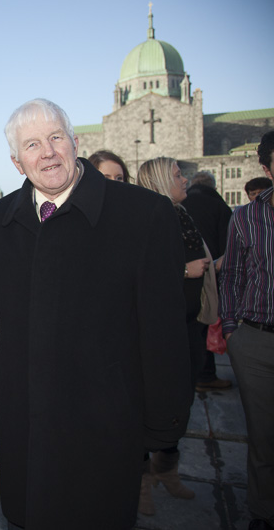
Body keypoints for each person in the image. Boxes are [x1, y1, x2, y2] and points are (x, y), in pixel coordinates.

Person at [0, 99, 191, 529]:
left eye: (56, 137)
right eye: (33, 145)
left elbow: (165, 331)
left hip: (105, 423)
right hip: (26, 425)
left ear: (75, 143)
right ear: (17, 162)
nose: (48, 152)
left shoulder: (144, 215)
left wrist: (164, 420)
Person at [136, 157, 219, 514]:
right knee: (148, 405)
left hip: (189, 326)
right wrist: (183, 271)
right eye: (175, 175)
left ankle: (166, 471)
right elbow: (140, 277)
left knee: (179, 402)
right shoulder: (148, 219)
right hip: (159, 332)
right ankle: (140, 482)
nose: (183, 180)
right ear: (158, 181)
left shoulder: (182, 215)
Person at [219, 130, 274, 530]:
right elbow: (233, 275)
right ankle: (263, 511)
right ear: (267, 166)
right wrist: (233, 329)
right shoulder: (247, 217)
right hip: (257, 339)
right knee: (264, 436)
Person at [181, 171, 234, 391]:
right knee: (205, 326)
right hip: (205, 273)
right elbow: (229, 245)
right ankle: (205, 375)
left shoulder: (184, 204)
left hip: (192, 278)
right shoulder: (219, 206)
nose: (182, 180)